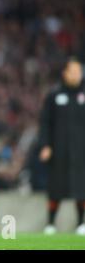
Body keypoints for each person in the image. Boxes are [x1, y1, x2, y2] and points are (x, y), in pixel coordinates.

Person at [39, 58, 85, 236]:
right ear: (64, 73)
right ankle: (50, 223)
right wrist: (45, 145)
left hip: (81, 152)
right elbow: (45, 123)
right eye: (73, 71)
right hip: (58, 150)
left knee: (82, 187)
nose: (76, 75)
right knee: (56, 187)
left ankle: (81, 223)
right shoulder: (54, 95)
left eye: (79, 71)